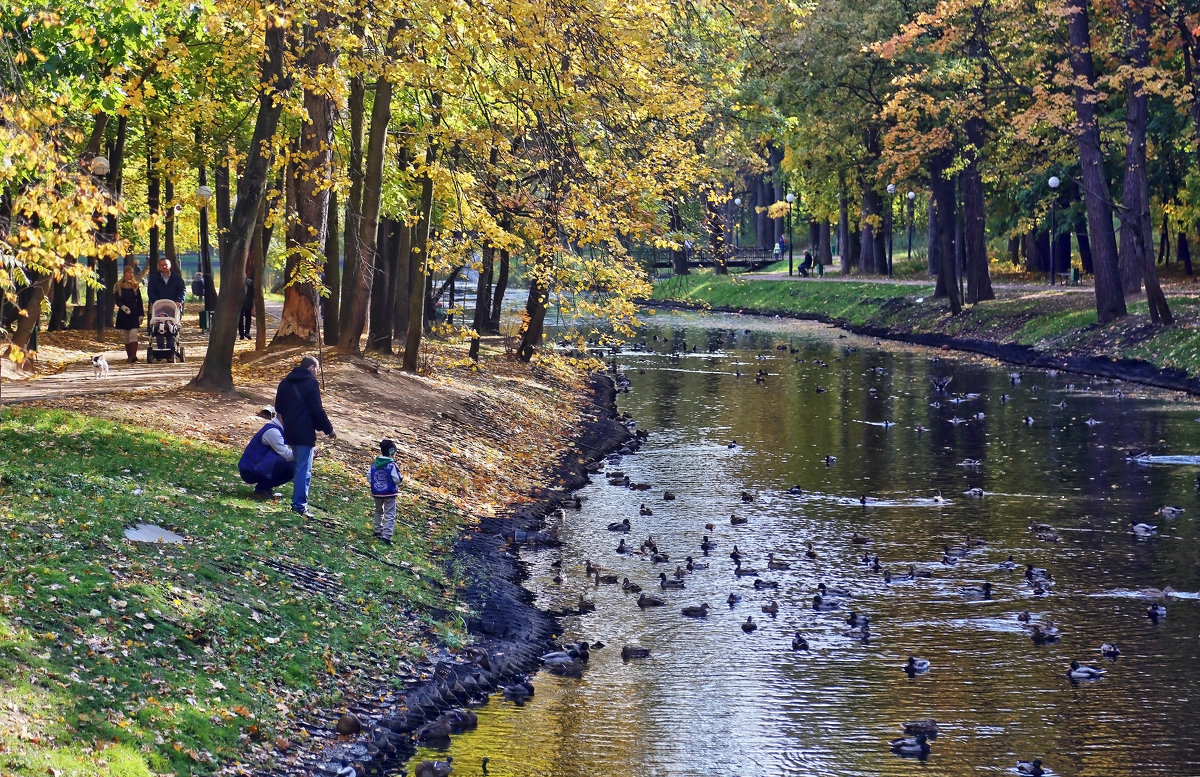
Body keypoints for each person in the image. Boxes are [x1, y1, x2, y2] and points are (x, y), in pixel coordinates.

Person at [274, 355, 336, 518]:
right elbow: (317, 409)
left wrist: (284, 427)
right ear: (310, 368)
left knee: (299, 466)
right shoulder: (311, 383)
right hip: (304, 431)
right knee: (304, 469)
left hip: (290, 430)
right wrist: (329, 430)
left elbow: (278, 408)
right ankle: (299, 505)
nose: (317, 372)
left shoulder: (284, 382)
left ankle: (298, 501)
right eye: (316, 368)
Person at [238, 406, 295, 499]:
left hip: (256, 466)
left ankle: (265, 487)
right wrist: (307, 454)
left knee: (290, 464)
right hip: (250, 470)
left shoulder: (279, 429)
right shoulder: (273, 431)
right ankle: (262, 488)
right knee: (290, 464)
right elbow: (287, 455)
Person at [368, 438, 403, 544]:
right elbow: (397, 479)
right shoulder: (392, 465)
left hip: (377, 493)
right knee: (390, 514)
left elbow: (369, 477)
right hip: (389, 493)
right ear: (392, 452)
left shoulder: (374, 464)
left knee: (378, 511)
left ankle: (377, 530)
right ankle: (386, 536)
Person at [113, 264, 145, 363]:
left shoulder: (135, 285)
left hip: (134, 313)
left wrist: (141, 314)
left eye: (132, 272)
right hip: (124, 313)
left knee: (133, 334)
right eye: (128, 272)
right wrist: (122, 307)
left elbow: (139, 301)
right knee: (126, 335)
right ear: (124, 273)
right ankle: (129, 355)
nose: (130, 274)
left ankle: (134, 356)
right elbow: (117, 300)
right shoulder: (118, 286)